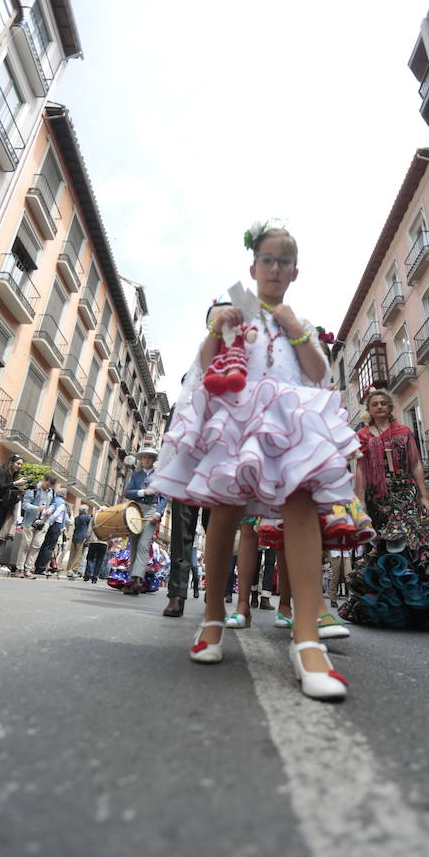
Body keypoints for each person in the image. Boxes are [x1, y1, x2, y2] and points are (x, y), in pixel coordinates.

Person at [152, 219, 360, 701]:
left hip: (289, 417)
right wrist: (217, 327)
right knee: (224, 513)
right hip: (242, 416)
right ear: (253, 266)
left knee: (302, 509)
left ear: (295, 271)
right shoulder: (237, 310)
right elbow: (206, 364)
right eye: (266, 259)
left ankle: (307, 638)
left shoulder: (299, 321)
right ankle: (212, 620)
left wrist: (296, 330)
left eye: (283, 261)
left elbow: (318, 373)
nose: (274, 267)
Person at [340, 389, 429, 630]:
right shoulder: (363, 435)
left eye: (383, 403)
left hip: (404, 490)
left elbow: (416, 462)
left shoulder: (404, 432)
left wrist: (423, 495)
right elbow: (361, 470)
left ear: (389, 407)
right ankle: (397, 604)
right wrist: (361, 503)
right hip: (378, 496)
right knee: (386, 544)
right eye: (375, 404)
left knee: (408, 536)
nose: (379, 407)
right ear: (370, 409)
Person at [124, 446, 167, 596]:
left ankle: (137, 580)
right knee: (133, 544)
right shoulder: (135, 475)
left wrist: (158, 513)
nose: (146, 460)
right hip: (135, 510)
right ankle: (132, 579)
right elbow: (127, 492)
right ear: (141, 460)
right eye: (144, 457)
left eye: (149, 457)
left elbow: (164, 497)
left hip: (151, 510)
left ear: (154, 460)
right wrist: (142, 492)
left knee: (144, 545)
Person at [15, 472, 57, 578]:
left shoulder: (52, 491)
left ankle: (29, 569)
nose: (48, 487)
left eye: (50, 486)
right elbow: (25, 505)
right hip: (30, 521)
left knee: (36, 546)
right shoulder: (33, 489)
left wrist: (50, 509)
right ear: (44, 480)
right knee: (26, 545)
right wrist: (36, 508)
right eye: (47, 484)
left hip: (43, 522)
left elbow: (53, 503)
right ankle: (20, 568)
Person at [35, 487, 67, 575]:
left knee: (45, 545)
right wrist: (50, 523)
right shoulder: (62, 503)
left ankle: (37, 565)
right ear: (64, 495)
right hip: (55, 525)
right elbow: (56, 514)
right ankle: (41, 568)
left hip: (49, 524)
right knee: (49, 547)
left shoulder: (54, 500)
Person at [66, 504, 91, 578]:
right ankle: (73, 570)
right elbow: (90, 528)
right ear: (85, 510)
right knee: (78, 555)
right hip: (82, 537)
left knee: (72, 554)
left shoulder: (76, 518)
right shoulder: (87, 518)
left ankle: (69, 569)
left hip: (75, 536)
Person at [84, 512, 109, 584]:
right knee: (99, 560)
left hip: (93, 540)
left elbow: (89, 530)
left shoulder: (95, 518)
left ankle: (89, 573)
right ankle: (94, 577)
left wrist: (87, 538)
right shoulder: (109, 518)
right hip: (104, 542)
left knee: (90, 558)